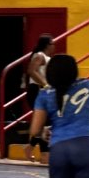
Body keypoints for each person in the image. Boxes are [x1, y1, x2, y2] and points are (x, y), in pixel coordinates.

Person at [24, 34, 55, 162]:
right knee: (45, 122)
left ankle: (34, 149)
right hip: (37, 91)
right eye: (52, 43)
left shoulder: (47, 58)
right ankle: (44, 153)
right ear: (47, 45)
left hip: (43, 92)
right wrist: (45, 84)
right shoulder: (40, 56)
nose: (54, 46)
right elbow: (32, 71)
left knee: (44, 123)